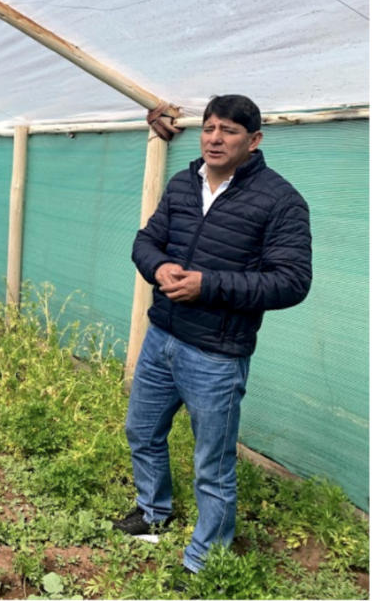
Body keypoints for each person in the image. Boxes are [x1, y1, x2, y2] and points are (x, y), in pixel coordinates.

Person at [117, 95, 313, 575]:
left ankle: (207, 559)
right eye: (208, 128)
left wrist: (208, 285)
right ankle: (152, 512)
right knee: (141, 432)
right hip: (161, 335)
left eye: (228, 130)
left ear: (254, 140)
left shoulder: (280, 200)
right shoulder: (184, 184)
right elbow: (145, 241)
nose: (215, 138)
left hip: (217, 353)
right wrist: (159, 266)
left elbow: (292, 280)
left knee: (213, 464)